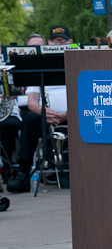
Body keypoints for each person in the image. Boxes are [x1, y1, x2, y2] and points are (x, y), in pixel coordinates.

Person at [7, 25, 72, 193]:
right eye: (55, 40)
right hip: (45, 116)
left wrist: (67, 113)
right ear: (48, 43)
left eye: (62, 41)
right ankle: (23, 173)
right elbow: (32, 102)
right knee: (29, 118)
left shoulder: (78, 62)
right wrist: (43, 112)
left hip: (74, 114)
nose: (58, 43)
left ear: (70, 42)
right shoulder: (39, 63)